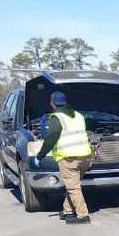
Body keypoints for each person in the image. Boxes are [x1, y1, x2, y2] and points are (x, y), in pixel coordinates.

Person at [35, 91, 93, 224]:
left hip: (69, 158)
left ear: (52, 102)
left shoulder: (56, 117)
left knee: (73, 187)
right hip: (85, 156)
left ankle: (83, 216)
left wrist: (41, 155)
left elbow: (51, 138)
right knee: (72, 185)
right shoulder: (78, 115)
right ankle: (67, 211)